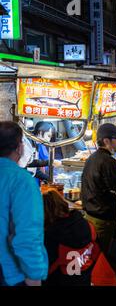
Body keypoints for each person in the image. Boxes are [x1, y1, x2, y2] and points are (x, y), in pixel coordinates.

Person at [0, 121, 48, 286]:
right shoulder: (21, 181)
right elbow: (26, 235)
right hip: (9, 274)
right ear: (19, 148)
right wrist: (34, 274)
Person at [81, 123, 116, 286]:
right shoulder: (109, 162)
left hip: (91, 218)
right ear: (107, 141)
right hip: (104, 222)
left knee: (98, 260)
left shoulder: (91, 159)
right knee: (115, 261)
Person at [43, 190, 100, 286]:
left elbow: (43, 271)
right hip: (84, 280)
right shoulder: (87, 225)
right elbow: (96, 252)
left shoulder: (51, 238)